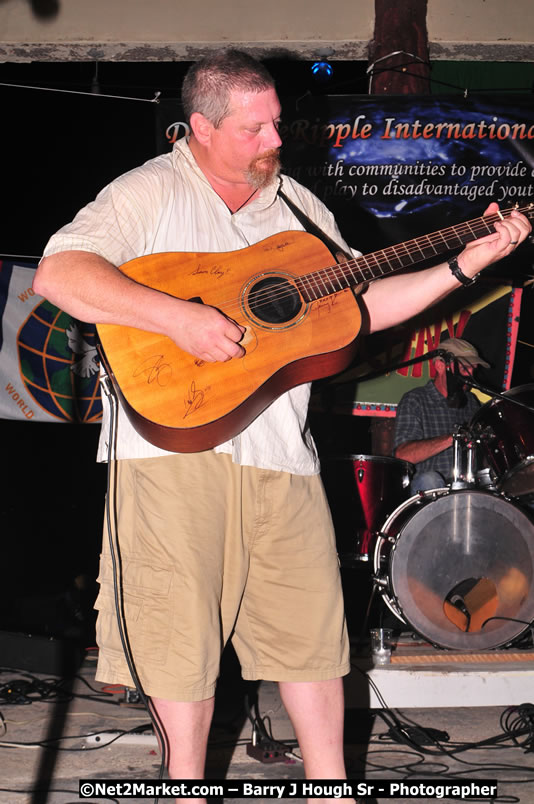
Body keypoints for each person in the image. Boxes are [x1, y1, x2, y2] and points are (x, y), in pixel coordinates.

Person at [32, 49, 531, 797]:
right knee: (180, 645)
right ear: (200, 127)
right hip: (171, 452)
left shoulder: (296, 209)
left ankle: (330, 787)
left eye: (276, 124)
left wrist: (465, 266)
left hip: (282, 459)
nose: (274, 140)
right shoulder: (148, 192)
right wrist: (179, 317)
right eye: (255, 128)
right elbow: (60, 273)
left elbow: (361, 307)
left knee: (314, 643)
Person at [393, 338, 491, 493]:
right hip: (428, 491)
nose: (471, 375)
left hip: (468, 487)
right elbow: (403, 455)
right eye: (465, 368)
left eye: (474, 369)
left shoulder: (471, 402)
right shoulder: (415, 400)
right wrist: (453, 438)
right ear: (440, 366)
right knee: (430, 479)